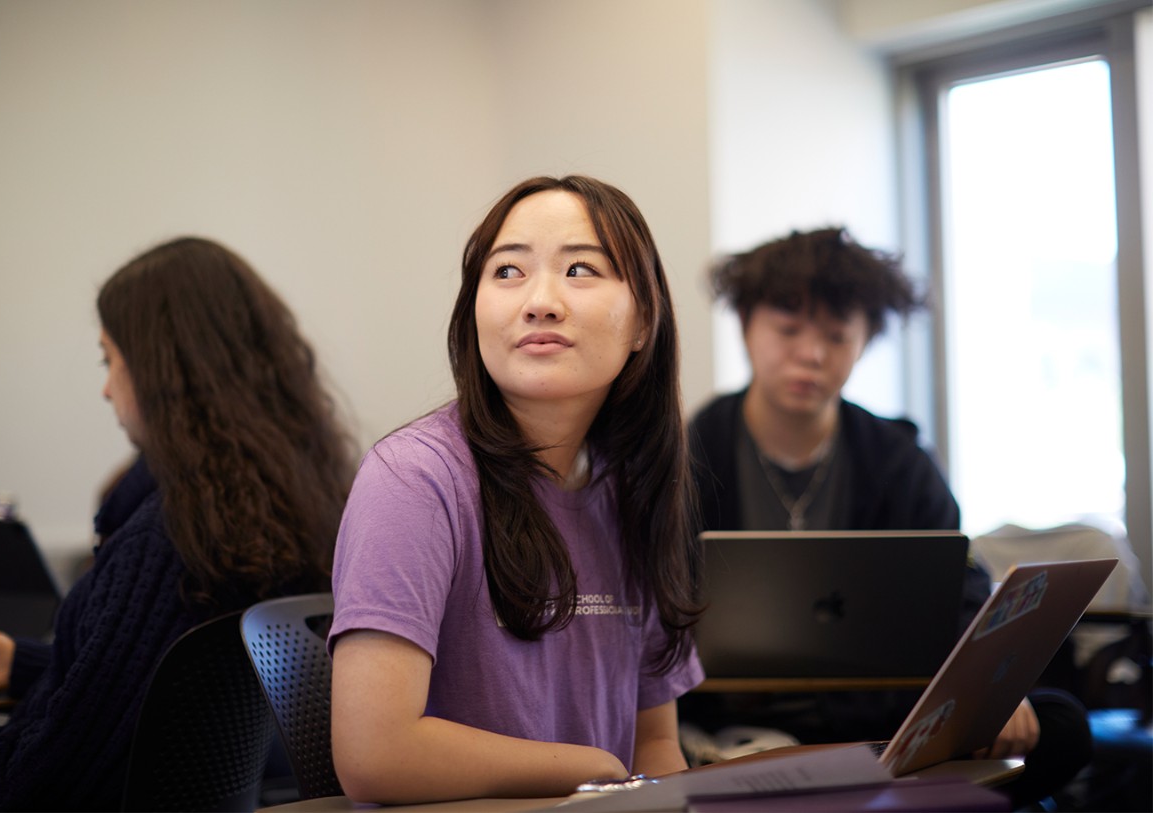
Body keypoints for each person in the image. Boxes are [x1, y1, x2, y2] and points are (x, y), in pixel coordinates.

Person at [0, 236, 356, 811]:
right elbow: (162, 707)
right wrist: (31, 665)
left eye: (110, 359)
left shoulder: (170, 543)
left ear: (160, 371)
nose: (105, 388)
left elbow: (27, 788)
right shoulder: (278, 517)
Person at [685, 226, 1093, 809]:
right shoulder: (689, 455)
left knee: (1062, 726)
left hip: (886, 721)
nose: (811, 353)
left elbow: (962, 592)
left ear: (865, 340)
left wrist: (992, 693)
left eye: (836, 335)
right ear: (747, 326)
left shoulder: (898, 459)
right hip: (723, 721)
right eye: (788, 328)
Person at [328, 175, 704, 804]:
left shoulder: (634, 489)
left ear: (643, 321)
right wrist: (594, 770)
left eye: (581, 269)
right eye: (507, 273)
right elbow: (375, 753)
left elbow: (655, 745)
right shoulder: (414, 480)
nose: (540, 302)